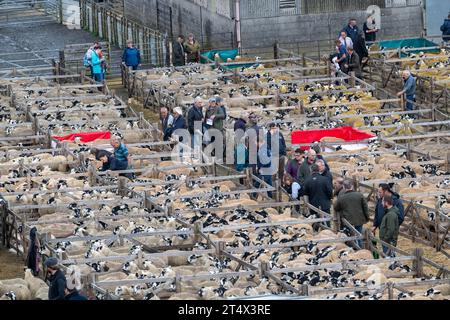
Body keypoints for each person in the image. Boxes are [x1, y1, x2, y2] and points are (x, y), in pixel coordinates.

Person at [334, 180, 369, 248]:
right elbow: (365, 207)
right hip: (359, 220)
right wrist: (366, 218)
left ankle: (353, 249)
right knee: (359, 235)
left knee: (350, 236)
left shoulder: (342, 198)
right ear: (352, 186)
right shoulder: (359, 195)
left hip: (348, 221)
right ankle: (360, 249)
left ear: (344, 187)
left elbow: (336, 208)